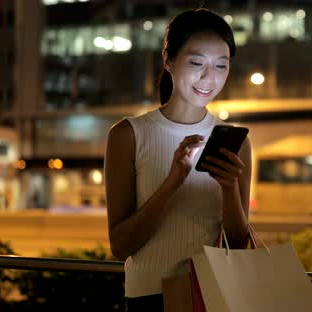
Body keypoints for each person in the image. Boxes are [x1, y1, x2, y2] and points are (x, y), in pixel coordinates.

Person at [103, 9, 251, 311]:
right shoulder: (128, 135)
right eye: (196, 63)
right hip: (148, 298)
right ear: (168, 60)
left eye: (221, 66)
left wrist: (228, 187)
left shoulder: (237, 142)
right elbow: (120, 246)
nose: (209, 78)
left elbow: (238, 243)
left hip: (212, 295)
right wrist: (173, 182)